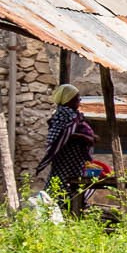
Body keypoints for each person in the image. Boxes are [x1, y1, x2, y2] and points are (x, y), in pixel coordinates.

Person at [33, 83, 95, 213]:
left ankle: (68, 211)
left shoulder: (74, 115)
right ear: (68, 99)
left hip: (75, 161)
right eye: (77, 98)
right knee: (62, 184)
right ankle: (57, 211)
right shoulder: (63, 115)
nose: (79, 101)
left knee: (71, 186)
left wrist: (89, 137)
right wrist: (83, 137)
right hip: (66, 158)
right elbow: (60, 136)